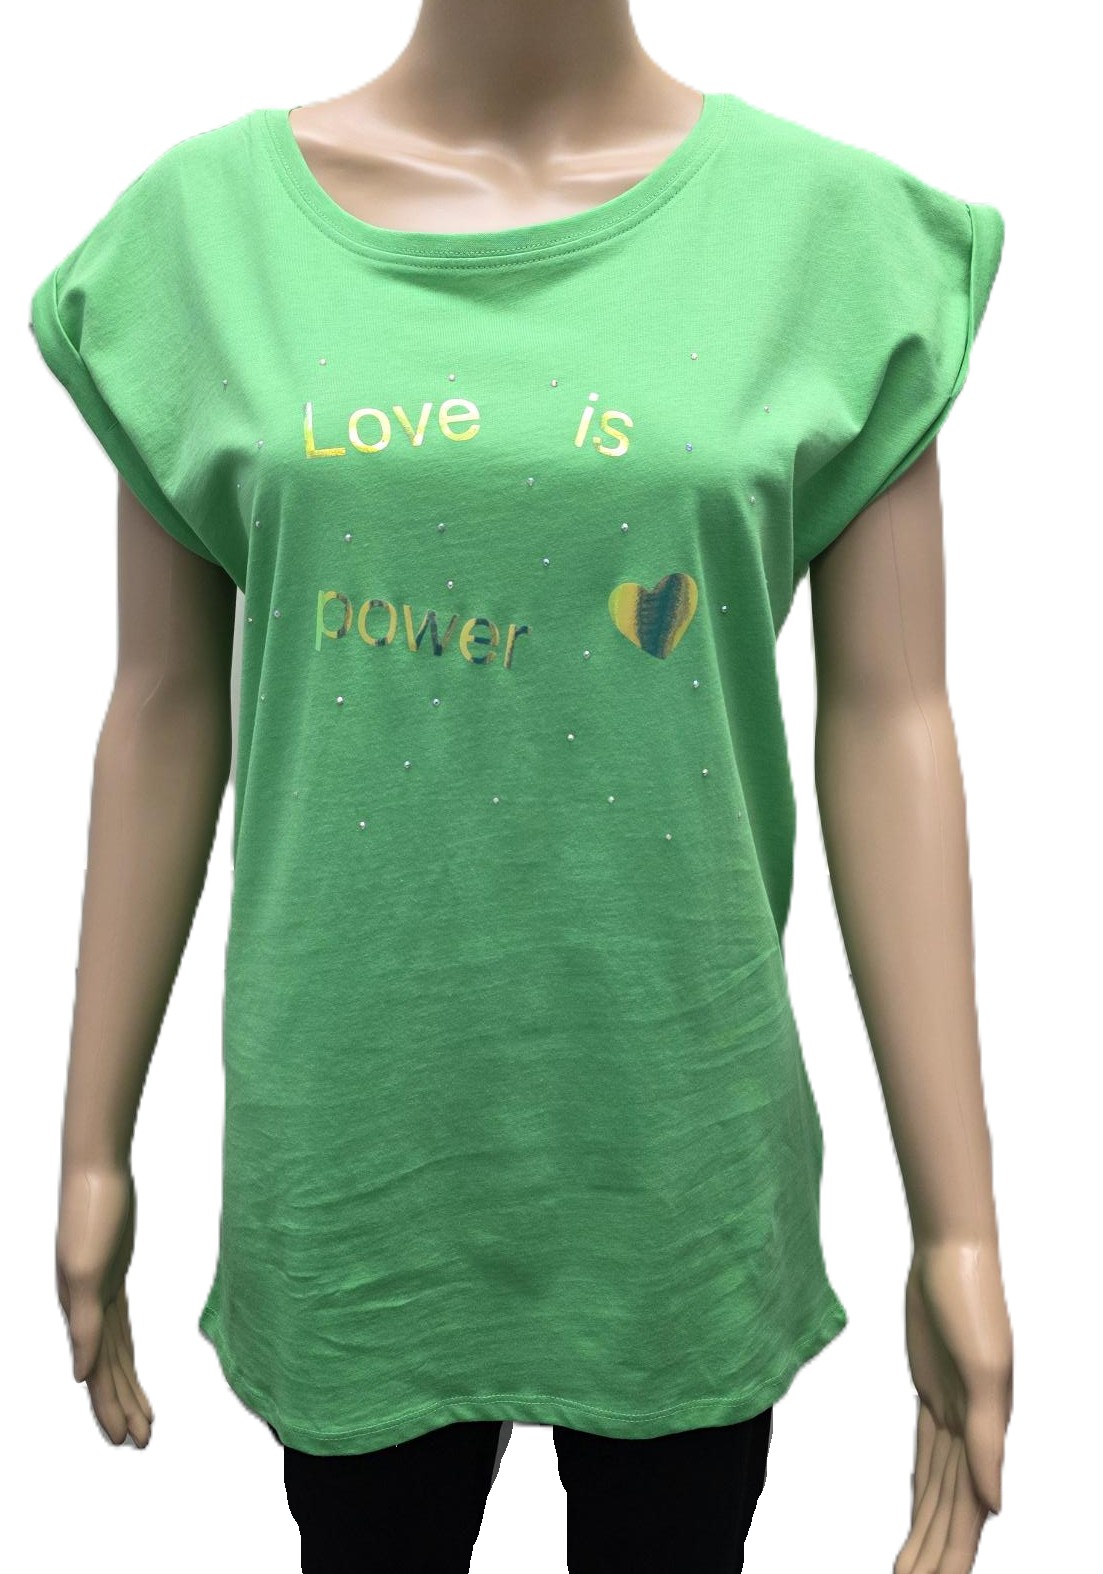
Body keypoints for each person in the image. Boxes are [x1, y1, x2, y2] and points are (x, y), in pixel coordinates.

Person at [30, 4, 1014, 1571]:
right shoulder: (203, 240)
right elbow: (159, 707)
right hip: (355, 1161)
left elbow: (894, 719)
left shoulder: (827, 241)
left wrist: (957, 1219)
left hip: (676, 1159)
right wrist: (93, 1142)